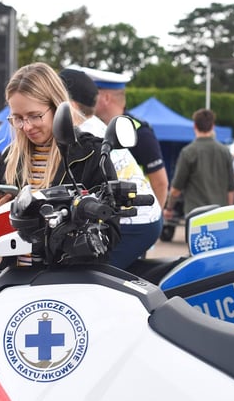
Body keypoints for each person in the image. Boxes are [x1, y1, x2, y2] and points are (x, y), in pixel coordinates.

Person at [0, 62, 119, 267]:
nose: (26, 127)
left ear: (58, 107)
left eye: (35, 116)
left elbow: (111, 230)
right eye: (18, 118)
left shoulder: (90, 153)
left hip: (67, 277)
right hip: (14, 276)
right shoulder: (9, 157)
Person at [59, 66, 163, 268]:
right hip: (134, 217)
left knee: (86, 274)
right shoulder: (92, 125)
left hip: (133, 223)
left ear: (70, 105)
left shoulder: (83, 137)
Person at [91, 71, 169, 214]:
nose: (89, 98)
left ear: (106, 98)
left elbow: (160, 183)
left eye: (93, 94)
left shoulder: (140, 132)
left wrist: (152, 218)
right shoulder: (94, 128)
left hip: (134, 218)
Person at [165, 108, 234, 218]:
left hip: (196, 213)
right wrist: (229, 211)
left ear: (195, 126)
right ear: (213, 126)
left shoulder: (188, 152)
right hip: (219, 213)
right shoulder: (225, 151)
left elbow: (177, 188)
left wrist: (169, 208)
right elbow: (231, 188)